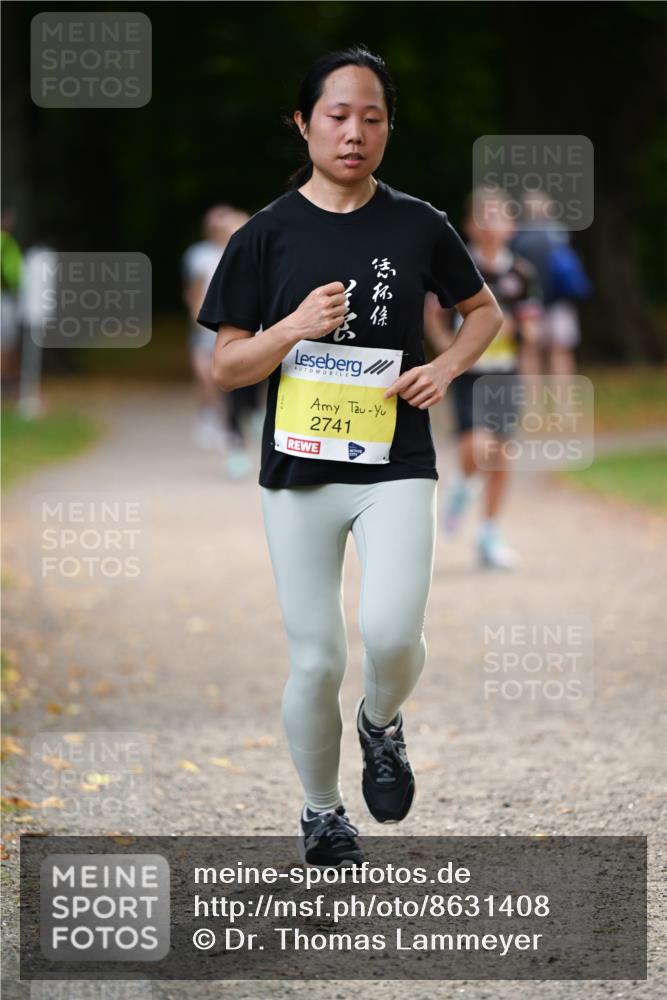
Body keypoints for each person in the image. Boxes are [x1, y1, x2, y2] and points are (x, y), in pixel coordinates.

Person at [197, 46, 503, 869]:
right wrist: (292, 327)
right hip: (298, 470)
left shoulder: (418, 224)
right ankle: (322, 812)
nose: (354, 132)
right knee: (316, 657)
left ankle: (379, 723)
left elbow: (482, 311)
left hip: (394, 459)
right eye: (337, 115)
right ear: (303, 123)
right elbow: (227, 366)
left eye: (372, 117)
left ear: (387, 128)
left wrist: (445, 367)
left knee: (392, 632)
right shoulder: (263, 236)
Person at [425, 186, 542, 569]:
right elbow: (433, 314)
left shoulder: (521, 274)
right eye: (483, 215)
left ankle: (490, 533)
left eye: (498, 215)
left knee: (502, 455)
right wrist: (450, 352)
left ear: (511, 226)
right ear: (469, 225)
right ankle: (463, 486)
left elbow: (532, 330)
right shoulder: (459, 267)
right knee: (476, 447)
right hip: (468, 375)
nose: (491, 223)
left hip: (505, 375)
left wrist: (527, 363)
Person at [182, 206, 261, 479]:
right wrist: (202, 325)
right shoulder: (205, 258)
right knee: (225, 387)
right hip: (218, 332)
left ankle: (250, 418)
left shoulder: (258, 255)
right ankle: (234, 442)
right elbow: (195, 294)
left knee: (247, 390)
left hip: (254, 334)